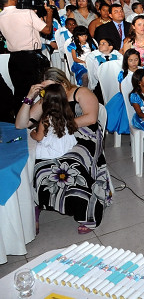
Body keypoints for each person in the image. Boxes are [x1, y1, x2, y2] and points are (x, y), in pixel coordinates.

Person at [17, 68, 111, 233]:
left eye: (51, 87)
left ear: (62, 83)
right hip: (56, 136)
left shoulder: (80, 92)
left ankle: (88, 212)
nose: (47, 93)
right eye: (44, 89)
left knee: (71, 164)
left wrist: (57, 125)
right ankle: (39, 205)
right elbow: (21, 124)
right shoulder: (48, 98)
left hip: (84, 134)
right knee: (40, 165)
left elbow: (91, 118)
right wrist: (29, 98)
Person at [0, 0, 54, 106]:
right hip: (31, 59)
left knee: (20, 93)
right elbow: (47, 30)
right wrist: (49, 13)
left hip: (14, 60)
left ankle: (21, 120)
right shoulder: (27, 13)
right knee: (39, 91)